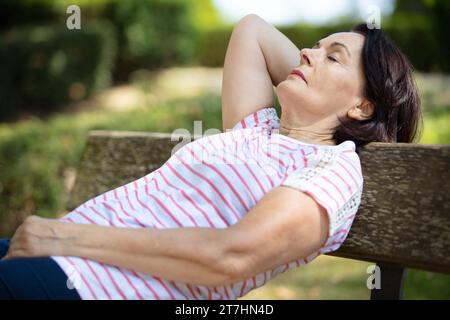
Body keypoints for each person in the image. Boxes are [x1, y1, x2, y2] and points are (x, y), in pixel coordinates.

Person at [0, 14, 422, 300]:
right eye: (313, 46)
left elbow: (229, 257)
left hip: (94, 286)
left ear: (363, 107)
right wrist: (320, 69)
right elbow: (253, 29)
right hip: (66, 260)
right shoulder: (258, 130)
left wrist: (64, 237)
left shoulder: (330, 171)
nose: (306, 54)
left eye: (332, 57)